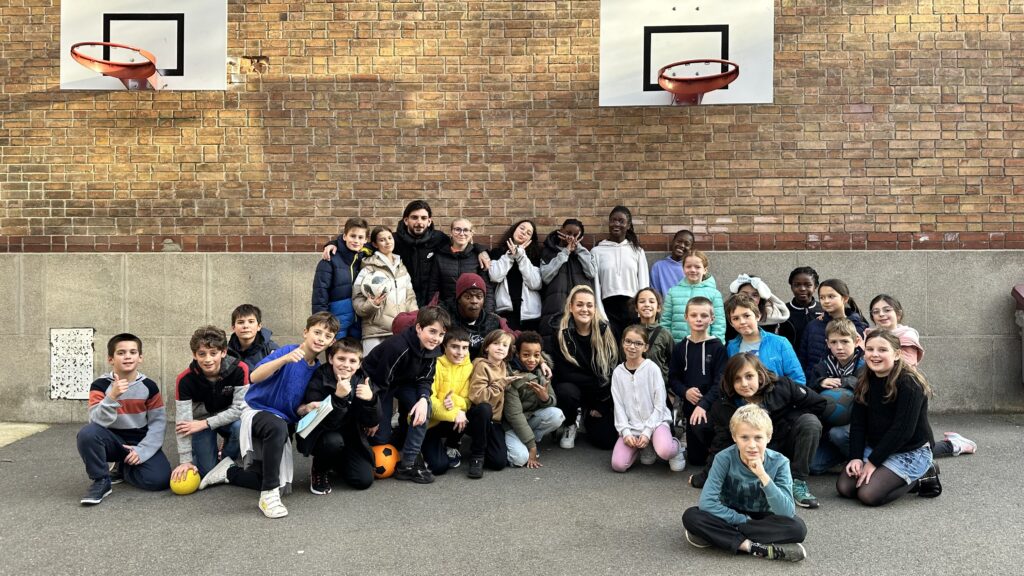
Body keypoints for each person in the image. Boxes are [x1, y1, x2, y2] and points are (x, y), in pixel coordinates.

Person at [198, 312, 339, 519]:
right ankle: (268, 496)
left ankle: (229, 471)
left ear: (331, 341)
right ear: (305, 332)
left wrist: (307, 408)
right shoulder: (288, 351)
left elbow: (297, 407)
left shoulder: (317, 370)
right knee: (277, 430)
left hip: (282, 422)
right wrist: (283, 359)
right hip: (257, 410)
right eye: (317, 332)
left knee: (279, 480)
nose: (320, 339)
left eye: (327, 336)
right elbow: (254, 376)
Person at [696, 354, 826, 510]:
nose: (744, 383)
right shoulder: (724, 405)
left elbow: (818, 404)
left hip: (786, 442)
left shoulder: (783, 386)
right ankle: (759, 483)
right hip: (757, 453)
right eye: (737, 379)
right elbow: (721, 443)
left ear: (760, 374)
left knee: (810, 422)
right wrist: (704, 476)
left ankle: (797, 482)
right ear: (730, 382)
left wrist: (789, 419)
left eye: (749, 376)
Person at [681, 405, 808, 563]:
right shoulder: (723, 458)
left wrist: (762, 475)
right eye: (744, 437)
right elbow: (707, 503)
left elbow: (787, 512)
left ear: (768, 437)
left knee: (798, 528)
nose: (752, 445)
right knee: (692, 516)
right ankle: (752, 547)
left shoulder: (780, 462)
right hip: (730, 513)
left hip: (764, 518)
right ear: (734, 437)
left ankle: (721, 538)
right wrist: (742, 519)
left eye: (758, 438)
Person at [837, 330, 940, 506]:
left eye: (882, 350)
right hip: (877, 446)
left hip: (909, 449)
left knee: (868, 495)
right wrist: (855, 457)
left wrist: (872, 463)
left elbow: (902, 431)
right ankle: (890, 473)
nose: (875, 355)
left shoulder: (909, 384)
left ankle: (922, 475)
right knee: (845, 488)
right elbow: (858, 424)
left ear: (897, 354)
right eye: (870, 349)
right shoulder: (865, 380)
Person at [865, 295, 976, 458]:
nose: (881, 314)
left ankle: (954, 444)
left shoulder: (906, 336)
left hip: (901, 391)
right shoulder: (869, 335)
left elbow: (906, 365)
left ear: (898, 313)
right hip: (881, 392)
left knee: (916, 443)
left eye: (887, 310)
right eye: (876, 311)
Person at [77, 334, 171, 505]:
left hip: (139, 440)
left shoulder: (149, 386)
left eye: (133, 352)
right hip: (113, 441)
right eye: (121, 353)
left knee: (160, 480)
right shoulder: (99, 385)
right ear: (111, 359)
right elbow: (96, 421)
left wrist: (142, 451)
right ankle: (101, 480)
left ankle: (124, 467)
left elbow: (158, 423)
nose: (127, 356)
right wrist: (112, 397)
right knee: (87, 434)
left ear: (140, 358)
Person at [361, 306, 451, 484]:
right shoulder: (398, 347)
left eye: (440, 334)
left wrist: (424, 400)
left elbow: (426, 379)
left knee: (424, 409)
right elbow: (380, 382)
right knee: (381, 436)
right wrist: (373, 416)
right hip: (378, 385)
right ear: (419, 328)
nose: (436, 338)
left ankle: (408, 465)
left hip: (404, 382)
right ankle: (363, 451)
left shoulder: (433, 349)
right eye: (432, 331)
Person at [296, 337, 380, 495]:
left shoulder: (362, 379)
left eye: (352, 361)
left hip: (352, 435)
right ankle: (319, 470)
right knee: (333, 441)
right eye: (341, 358)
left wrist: (371, 400)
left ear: (359, 363)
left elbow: (373, 421)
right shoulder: (319, 378)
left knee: (363, 480)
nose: (346, 365)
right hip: (323, 434)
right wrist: (338, 398)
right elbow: (327, 423)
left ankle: (335, 462)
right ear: (330, 359)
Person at [544, 285, 619, 450]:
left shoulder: (607, 331)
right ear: (570, 307)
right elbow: (562, 373)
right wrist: (594, 379)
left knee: (607, 441)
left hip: (600, 394)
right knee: (566, 391)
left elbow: (614, 371)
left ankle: (587, 415)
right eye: (579, 304)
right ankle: (570, 422)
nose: (584, 309)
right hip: (575, 388)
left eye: (589, 305)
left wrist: (601, 404)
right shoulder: (560, 332)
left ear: (595, 308)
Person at [172, 326, 248, 483]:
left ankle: (228, 456)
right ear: (194, 355)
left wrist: (206, 424)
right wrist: (185, 461)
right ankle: (204, 454)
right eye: (202, 354)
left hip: (226, 418)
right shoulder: (184, 379)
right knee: (207, 470)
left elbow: (240, 409)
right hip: (201, 419)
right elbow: (183, 423)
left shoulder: (240, 369)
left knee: (241, 425)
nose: (208, 359)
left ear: (223, 352)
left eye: (213, 353)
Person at [610, 325, 687, 472]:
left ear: (646, 347)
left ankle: (676, 446)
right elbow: (618, 406)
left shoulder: (652, 369)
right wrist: (625, 432)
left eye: (638, 343)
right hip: (632, 426)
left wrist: (647, 432)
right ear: (623, 343)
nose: (632, 347)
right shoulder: (618, 373)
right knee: (618, 465)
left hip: (656, 423)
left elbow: (660, 405)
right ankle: (643, 447)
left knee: (664, 451)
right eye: (628, 341)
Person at [667, 297, 728, 468]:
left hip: (711, 406)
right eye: (694, 315)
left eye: (703, 315)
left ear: (712, 318)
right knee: (695, 460)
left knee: (708, 441)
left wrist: (704, 403)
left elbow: (720, 381)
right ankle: (688, 444)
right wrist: (685, 392)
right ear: (686, 317)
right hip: (689, 406)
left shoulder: (718, 348)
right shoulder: (680, 348)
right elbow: (673, 378)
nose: (699, 319)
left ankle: (716, 451)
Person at [352, 225, 418, 354]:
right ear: (375, 244)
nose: (388, 242)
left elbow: (410, 297)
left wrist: (414, 320)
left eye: (390, 238)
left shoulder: (402, 267)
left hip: (400, 332)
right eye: (382, 240)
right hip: (375, 333)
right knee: (372, 372)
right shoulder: (368, 268)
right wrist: (372, 304)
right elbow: (357, 300)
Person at [503, 331, 564, 468]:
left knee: (557, 414)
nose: (532, 360)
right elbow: (514, 416)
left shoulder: (541, 370)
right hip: (511, 425)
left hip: (529, 419)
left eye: (536, 355)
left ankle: (528, 440)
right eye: (526, 355)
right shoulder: (510, 375)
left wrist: (545, 398)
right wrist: (532, 448)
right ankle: (522, 444)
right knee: (520, 460)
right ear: (517, 354)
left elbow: (552, 401)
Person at [421, 328, 474, 475]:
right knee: (439, 467)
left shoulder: (469, 367)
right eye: (455, 346)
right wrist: (455, 411)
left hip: (451, 420)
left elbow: (467, 401)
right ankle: (422, 448)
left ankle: (452, 445)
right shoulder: (435, 364)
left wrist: (455, 403)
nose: (460, 352)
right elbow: (429, 400)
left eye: (464, 348)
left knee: (470, 412)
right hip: (431, 422)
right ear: (444, 347)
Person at [591, 206, 649, 338]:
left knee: (631, 346)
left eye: (621, 221)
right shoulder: (597, 251)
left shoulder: (637, 251)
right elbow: (595, 285)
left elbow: (644, 283)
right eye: (613, 220)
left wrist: (641, 311)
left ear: (628, 225)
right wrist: (600, 312)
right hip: (608, 307)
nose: (616, 224)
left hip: (632, 307)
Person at [465, 330, 516, 478]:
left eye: (505, 345)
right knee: (484, 408)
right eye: (496, 343)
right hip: (478, 416)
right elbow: (478, 396)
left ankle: (485, 443)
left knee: (498, 463)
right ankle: (477, 455)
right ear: (486, 347)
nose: (500, 347)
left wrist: (543, 363)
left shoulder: (504, 366)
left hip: (495, 420)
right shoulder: (481, 365)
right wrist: (500, 384)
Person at [725, 294, 805, 384]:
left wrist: (781, 396)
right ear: (731, 323)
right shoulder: (731, 347)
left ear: (758, 316)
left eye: (747, 316)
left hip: (779, 396)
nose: (742, 322)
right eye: (736, 318)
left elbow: (798, 379)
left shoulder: (780, 343)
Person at [798, 278, 868, 382]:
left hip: (851, 389)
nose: (826, 301)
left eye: (831, 296)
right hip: (815, 386)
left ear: (844, 299)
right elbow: (802, 360)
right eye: (822, 297)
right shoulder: (813, 326)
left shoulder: (859, 327)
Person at [312, 217, 371, 339]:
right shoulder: (329, 260)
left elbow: (380, 244)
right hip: (336, 320)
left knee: (354, 356)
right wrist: (322, 324)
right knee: (336, 356)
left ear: (366, 240)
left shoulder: (365, 258)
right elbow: (320, 294)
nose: (356, 240)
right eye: (352, 236)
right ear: (344, 236)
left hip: (359, 321)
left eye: (360, 237)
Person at [539, 219, 596, 332]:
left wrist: (578, 248)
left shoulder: (583, 253)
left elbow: (591, 272)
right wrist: (565, 252)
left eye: (575, 235)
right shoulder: (548, 252)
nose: (571, 238)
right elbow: (545, 276)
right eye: (568, 233)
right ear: (560, 231)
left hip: (580, 309)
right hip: (555, 307)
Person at [488, 219, 543, 331]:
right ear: (514, 230)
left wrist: (521, 256)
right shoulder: (497, 252)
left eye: (528, 233)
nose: (523, 233)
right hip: (506, 312)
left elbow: (535, 283)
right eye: (521, 228)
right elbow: (495, 276)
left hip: (530, 315)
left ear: (531, 239)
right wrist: (509, 256)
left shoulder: (535, 256)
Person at [428, 218, 494, 311]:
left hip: (472, 311)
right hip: (446, 311)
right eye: (457, 229)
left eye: (466, 230)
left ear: (471, 234)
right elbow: (433, 289)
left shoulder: (477, 257)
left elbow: (487, 288)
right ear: (451, 232)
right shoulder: (440, 256)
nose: (462, 233)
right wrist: (437, 311)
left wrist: (488, 313)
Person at [661, 250, 726, 343]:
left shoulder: (714, 294)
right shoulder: (673, 292)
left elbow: (719, 325)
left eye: (697, 267)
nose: (692, 270)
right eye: (688, 266)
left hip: (705, 346)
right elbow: (665, 322)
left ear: (705, 270)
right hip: (678, 347)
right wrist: (667, 345)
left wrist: (717, 346)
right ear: (683, 268)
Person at [439, 272, 508, 358]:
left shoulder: (493, 321)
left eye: (479, 297)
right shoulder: (444, 317)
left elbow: (511, 336)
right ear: (459, 299)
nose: (474, 301)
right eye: (468, 297)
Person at [725, 274, 790, 341]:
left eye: (755, 295)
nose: (749, 298)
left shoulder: (773, 315)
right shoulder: (726, 315)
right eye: (744, 294)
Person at [632, 287, 674, 386]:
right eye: (642, 301)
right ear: (636, 308)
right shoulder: (630, 332)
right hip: (635, 387)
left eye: (651, 301)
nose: (647, 305)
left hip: (660, 388)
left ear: (658, 307)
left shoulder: (665, 334)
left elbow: (673, 364)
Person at [779, 267, 821, 351]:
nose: (802, 289)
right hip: (791, 359)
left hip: (818, 360)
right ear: (791, 287)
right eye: (797, 285)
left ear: (815, 287)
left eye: (808, 285)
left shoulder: (824, 309)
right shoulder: (783, 311)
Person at [227, 304, 279, 371]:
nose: (246, 326)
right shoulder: (226, 352)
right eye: (240, 322)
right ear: (233, 328)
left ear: (259, 326)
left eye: (251, 322)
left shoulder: (270, 349)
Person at [649, 229, 694, 297]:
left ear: (690, 248)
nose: (682, 245)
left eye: (687, 244)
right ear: (673, 242)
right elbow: (655, 294)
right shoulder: (658, 267)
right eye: (679, 241)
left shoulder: (693, 268)